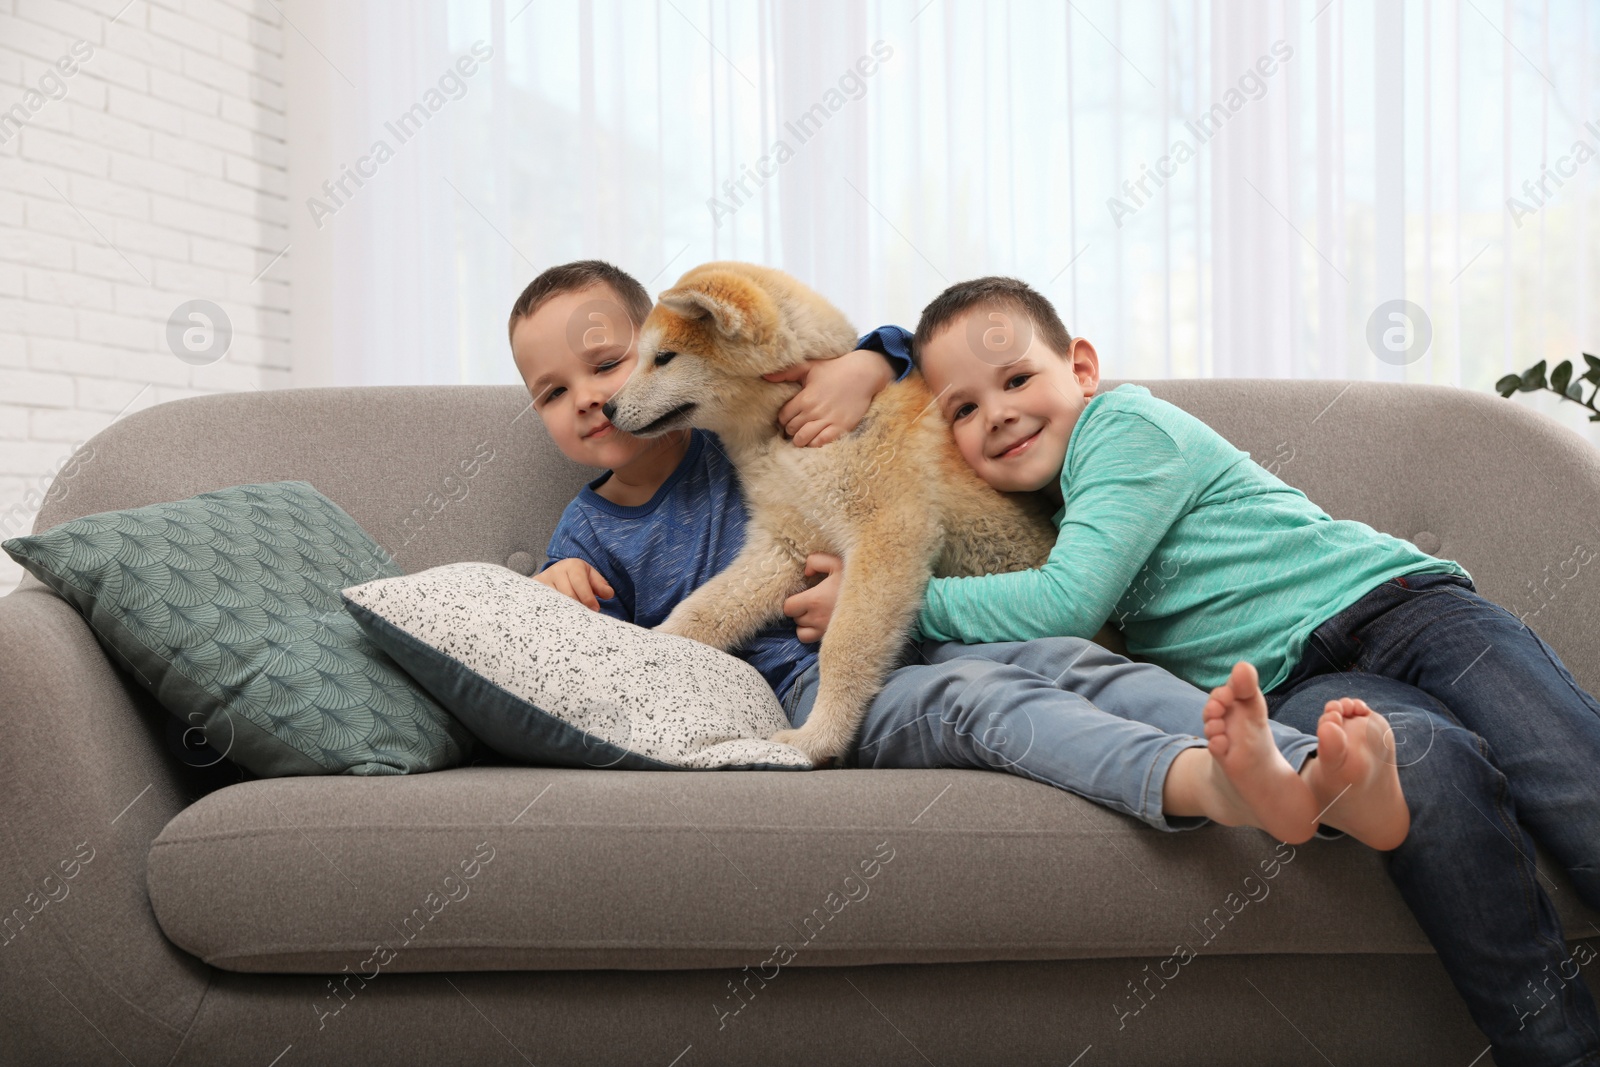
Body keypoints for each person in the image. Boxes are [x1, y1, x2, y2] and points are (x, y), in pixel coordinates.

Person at [886, 274, 1600, 1066]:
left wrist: (890, 598)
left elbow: (1063, 603)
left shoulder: (1125, 427)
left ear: (1082, 369)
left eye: (1017, 379)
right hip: (1305, 685)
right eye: (964, 409)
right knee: (1427, 767)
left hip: (1401, 606)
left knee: (1573, 782)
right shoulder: (1037, 517)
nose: (1000, 413)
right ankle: (1558, 1049)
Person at [505, 258, 1409, 850]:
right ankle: (1207, 782)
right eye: (552, 391)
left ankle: (1316, 773)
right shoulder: (589, 532)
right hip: (812, 677)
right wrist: (547, 592)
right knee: (981, 697)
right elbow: (580, 657)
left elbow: (889, 355)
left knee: (1074, 661)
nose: (594, 400)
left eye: (616, 365)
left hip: (925, 627)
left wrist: (864, 363)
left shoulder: (740, 422)